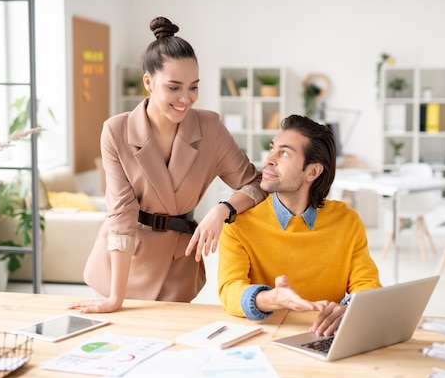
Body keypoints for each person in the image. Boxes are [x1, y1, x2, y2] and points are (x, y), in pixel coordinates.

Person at [69, 17, 266, 314]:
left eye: (193, 87)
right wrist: (115, 298)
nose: (185, 99)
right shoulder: (116, 131)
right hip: (123, 265)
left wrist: (223, 209)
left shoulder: (209, 128)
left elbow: (256, 184)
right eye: (174, 88)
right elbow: (122, 214)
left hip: (178, 265)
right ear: (148, 82)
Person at [218, 115, 382, 337]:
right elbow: (229, 289)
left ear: (312, 172)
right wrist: (270, 299)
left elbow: (367, 283)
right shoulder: (240, 223)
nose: (269, 159)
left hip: (326, 335)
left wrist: (350, 308)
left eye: (284, 153)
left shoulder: (346, 221)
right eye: (272, 148)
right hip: (266, 335)